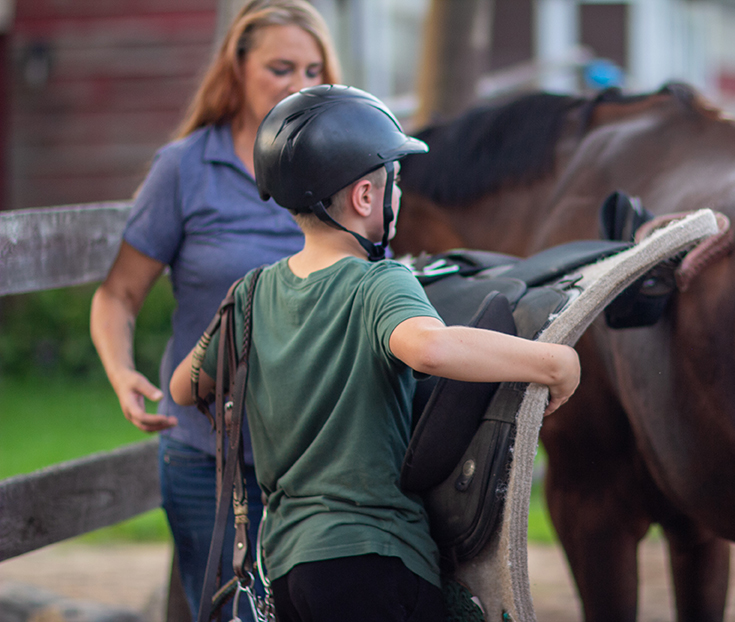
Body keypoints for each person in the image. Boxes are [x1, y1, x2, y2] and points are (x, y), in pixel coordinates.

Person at [169, 85, 581, 622]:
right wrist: (555, 363)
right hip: (376, 560)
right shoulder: (381, 282)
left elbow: (185, 387)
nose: (399, 195)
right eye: (395, 181)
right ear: (365, 197)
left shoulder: (251, 294)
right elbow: (429, 348)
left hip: (291, 567)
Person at [88, 1, 342, 617]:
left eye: (313, 71)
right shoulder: (184, 168)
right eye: (281, 68)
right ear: (237, 67)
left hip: (319, 454)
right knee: (232, 613)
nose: (298, 87)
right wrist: (122, 374)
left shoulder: (345, 168)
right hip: (209, 456)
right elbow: (118, 294)